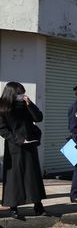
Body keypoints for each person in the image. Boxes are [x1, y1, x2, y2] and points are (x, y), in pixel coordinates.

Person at [0, 82, 46, 220]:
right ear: (12, 93)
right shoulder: (2, 107)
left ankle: (38, 205)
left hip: (30, 144)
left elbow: (38, 118)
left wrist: (30, 104)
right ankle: (13, 207)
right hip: (14, 146)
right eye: (19, 93)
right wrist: (17, 139)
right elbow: (2, 129)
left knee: (33, 176)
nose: (22, 95)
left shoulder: (25, 105)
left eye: (23, 93)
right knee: (14, 177)